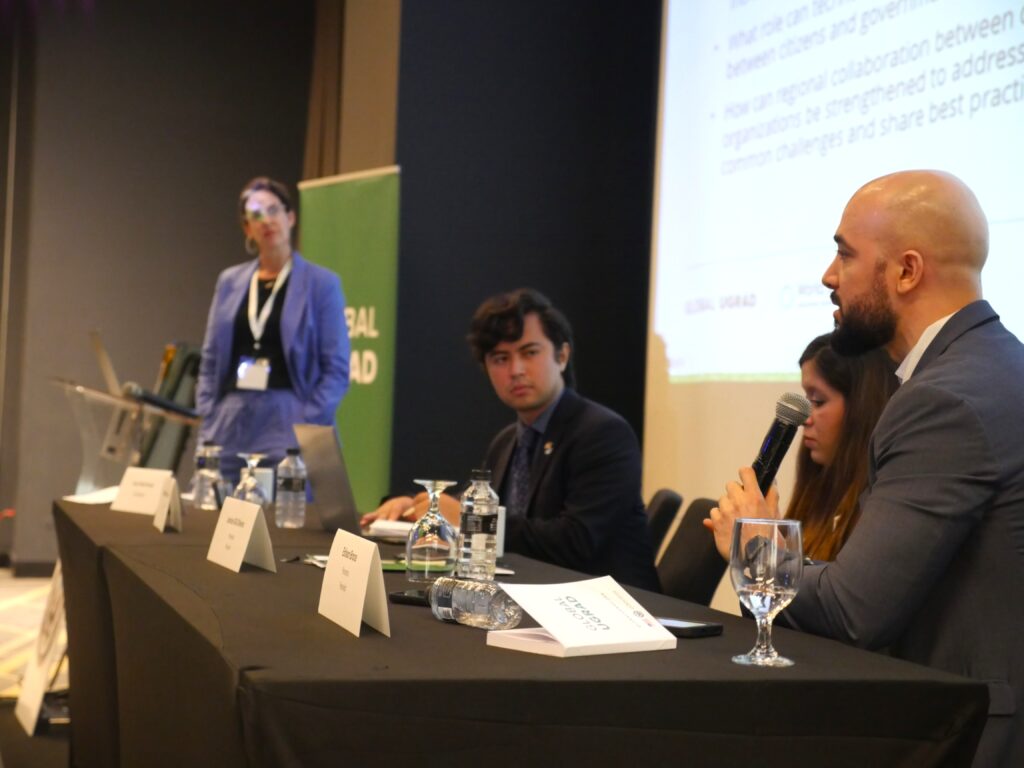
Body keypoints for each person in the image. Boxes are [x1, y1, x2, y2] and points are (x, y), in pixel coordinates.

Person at [705, 170, 1024, 767]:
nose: (829, 276)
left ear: (906, 271)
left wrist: (755, 542)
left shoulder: (945, 400)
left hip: (971, 736)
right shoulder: (996, 367)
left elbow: (855, 614)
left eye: (844, 255)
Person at [363, 288, 660, 591]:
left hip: (612, 606)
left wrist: (469, 519)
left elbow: (577, 541)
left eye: (530, 353)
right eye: (500, 358)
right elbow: (469, 503)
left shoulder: (603, 433)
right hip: (536, 596)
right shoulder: (507, 441)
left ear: (562, 355)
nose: (515, 370)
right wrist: (418, 506)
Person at [195, 177, 350, 483]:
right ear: (247, 228)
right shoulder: (230, 281)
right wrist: (209, 413)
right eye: (255, 214)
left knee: (282, 522)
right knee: (212, 516)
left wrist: (306, 423)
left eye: (273, 209)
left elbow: (336, 368)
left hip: (287, 419)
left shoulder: (321, 284)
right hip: (228, 420)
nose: (266, 220)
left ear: (290, 217)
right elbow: (211, 356)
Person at [787, 333, 897, 560]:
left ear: (862, 407)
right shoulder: (819, 492)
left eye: (818, 402)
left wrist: (763, 545)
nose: (805, 418)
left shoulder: (880, 512)